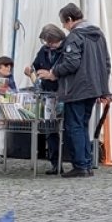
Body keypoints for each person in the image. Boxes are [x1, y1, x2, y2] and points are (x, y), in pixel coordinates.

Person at [37, 4, 111, 178]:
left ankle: (80, 165)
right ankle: (86, 164)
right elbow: (106, 63)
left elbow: (72, 63)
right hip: (94, 88)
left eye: (64, 23)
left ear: (70, 20)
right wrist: (103, 88)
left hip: (77, 88)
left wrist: (53, 73)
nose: (64, 27)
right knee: (83, 125)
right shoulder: (98, 35)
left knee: (74, 126)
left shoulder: (75, 37)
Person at [26, 24, 67, 174]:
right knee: (51, 130)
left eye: (51, 42)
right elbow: (36, 66)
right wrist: (30, 70)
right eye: (46, 42)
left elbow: (70, 69)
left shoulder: (66, 50)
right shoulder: (44, 51)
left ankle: (77, 162)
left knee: (66, 129)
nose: (49, 45)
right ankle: (56, 164)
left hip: (63, 92)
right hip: (47, 93)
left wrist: (52, 73)